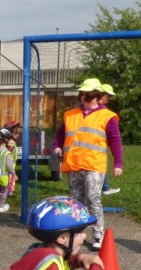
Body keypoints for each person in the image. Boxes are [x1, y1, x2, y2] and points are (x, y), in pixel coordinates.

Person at [52, 78, 123, 251]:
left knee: (93, 200)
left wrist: (118, 163)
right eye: (82, 94)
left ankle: (98, 235)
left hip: (93, 165)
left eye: (88, 95)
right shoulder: (70, 114)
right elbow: (61, 133)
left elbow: (115, 140)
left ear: (98, 97)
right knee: (76, 201)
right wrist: (57, 145)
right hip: (74, 164)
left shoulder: (107, 117)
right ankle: (76, 233)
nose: (84, 98)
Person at [98, 84, 121, 196]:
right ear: (102, 95)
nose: (109, 99)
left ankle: (104, 187)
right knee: (103, 164)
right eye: (108, 96)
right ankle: (105, 188)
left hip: (99, 145)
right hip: (97, 147)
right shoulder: (103, 112)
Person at [0, 128, 17, 213]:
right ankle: (1, 206)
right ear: (6, 140)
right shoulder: (6, 152)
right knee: (4, 191)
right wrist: (14, 174)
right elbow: (9, 166)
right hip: (4, 176)